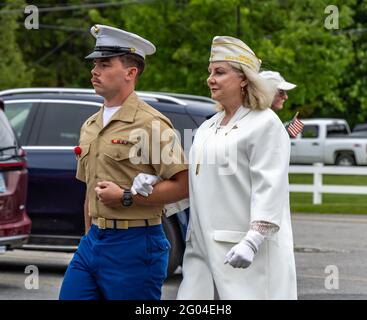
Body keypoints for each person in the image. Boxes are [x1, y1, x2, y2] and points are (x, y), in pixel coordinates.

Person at [136, 36, 297, 299]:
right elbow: (198, 179)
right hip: (199, 248)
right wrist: (156, 181)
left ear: (244, 78)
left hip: (246, 251)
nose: (210, 78)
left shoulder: (265, 123)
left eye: (220, 72)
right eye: (210, 72)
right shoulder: (209, 126)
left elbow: (271, 186)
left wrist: (254, 239)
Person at [59, 25, 188, 300]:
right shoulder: (90, 125)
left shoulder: (152, 124)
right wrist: (88, 237)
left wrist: (127, 197)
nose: (95, 71)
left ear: (131, 73)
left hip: (136, 244)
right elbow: (89, 192)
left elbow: (184, 185)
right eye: (95, 64)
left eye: (105, 64)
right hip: (94, 241)